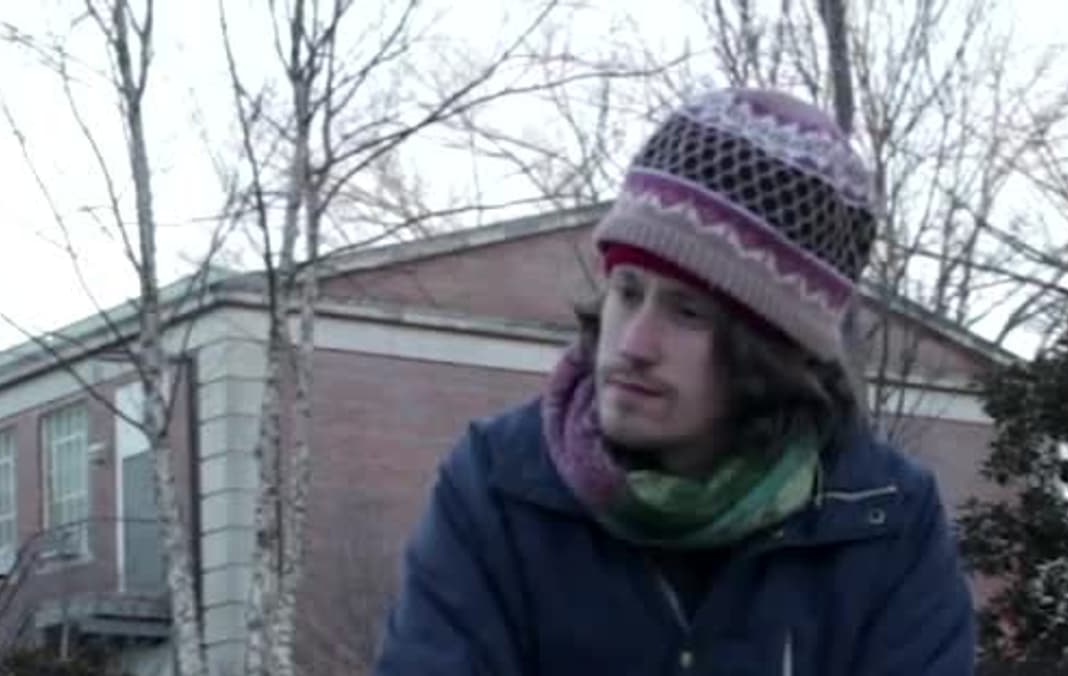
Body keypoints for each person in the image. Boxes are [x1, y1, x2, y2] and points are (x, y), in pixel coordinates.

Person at [373, 89, 975, 675]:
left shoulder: (882, 520)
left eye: (688, 313)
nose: (634, 345)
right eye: (628, 292)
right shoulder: (500, 484)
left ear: (772, 350)